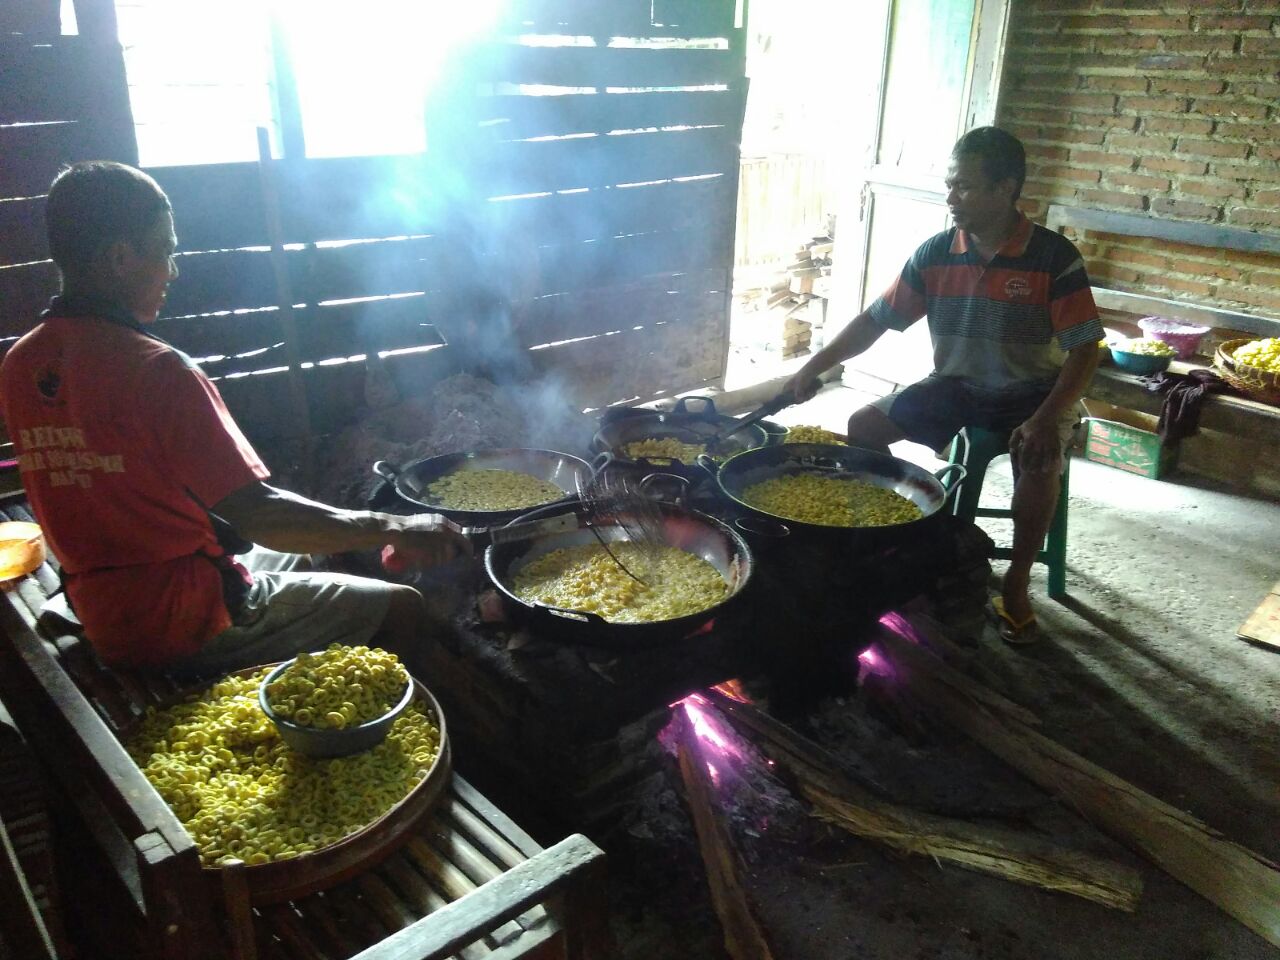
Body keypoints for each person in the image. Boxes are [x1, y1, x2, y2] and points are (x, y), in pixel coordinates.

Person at [0, 161, 470, 675]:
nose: (173, 271)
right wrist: (396, 526)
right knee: (403, 607)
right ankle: (382, 740)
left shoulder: (21, 363)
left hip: (99, 604)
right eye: (167, 251)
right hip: (185, 621)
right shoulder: (156, 371)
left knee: (309, 557)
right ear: (119, 258)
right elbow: (262, 515)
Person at [784, 127, 1103, 644]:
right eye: (950, 186)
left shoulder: (1052, 257)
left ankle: (1017, 584)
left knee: (1041, 459)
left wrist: (1046, 418)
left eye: (965, 188)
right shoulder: (935, 253)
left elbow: (1085, 350)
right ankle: (894, 544)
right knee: (862, 426)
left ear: (1006, 188)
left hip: (1034, 393)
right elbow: (875, 321)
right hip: (956, 384)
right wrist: (812, 368)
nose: (951, 198)